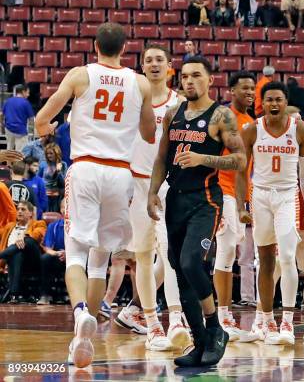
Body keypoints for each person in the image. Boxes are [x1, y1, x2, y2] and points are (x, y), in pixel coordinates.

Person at [34, 22, 156, 368]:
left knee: (75, 251)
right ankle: (82, 339)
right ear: (125, 48)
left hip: (87, 167)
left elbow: (41, 121)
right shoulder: (141, 82)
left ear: (94, 45)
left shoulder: (79, 75)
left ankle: (79, 314)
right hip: (120, 173)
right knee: (101, 258)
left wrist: (52, 130)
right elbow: (149, 133)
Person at [147, 56, 246, 367]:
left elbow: (241, 159)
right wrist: (152, 192)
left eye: (196, 76)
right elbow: (162, 158)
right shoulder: (172, 115)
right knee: (179, 272)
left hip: (205, 200)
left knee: (192, 262)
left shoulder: (221, 116)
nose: (189, 81)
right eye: (185, 76)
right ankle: (199, 342)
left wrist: (204, 159)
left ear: (209, 80)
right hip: (174, 200)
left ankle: (216, 329)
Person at [236, 81, 304, 346]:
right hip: (260, 196)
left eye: (278, 99)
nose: (274, 104)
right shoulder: (252, 130)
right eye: (269, 100)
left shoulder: (299, 129)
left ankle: (287, 323)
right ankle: (265, 319)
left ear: (286, 102)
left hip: (287, 196)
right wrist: (241, 204)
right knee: (265, 260)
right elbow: (241, 171)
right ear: (262, 103)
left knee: (289, 256)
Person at [119, 45, 186, 352]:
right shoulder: (131, 104)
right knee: (143, 257)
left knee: (171, 254)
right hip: (136, 184)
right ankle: (152, 325)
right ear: (142, 67)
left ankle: (176, 320)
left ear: (170, 67)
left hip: (169, 186)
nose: (155, 64)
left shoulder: (181, 103)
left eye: (160, 59)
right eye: (149, 60)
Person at [213, 71, 256, 342]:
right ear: (231, 91)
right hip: (221, 191)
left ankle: (135, 306)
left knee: (230, 253)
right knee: (226, 252)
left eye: (253, 89)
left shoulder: (250, 122)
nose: (250, 93)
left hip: (239, 195)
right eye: (245, 89)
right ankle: (223, 316)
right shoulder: (222, 117)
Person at [0, 201, 45, 304]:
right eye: (18, 209)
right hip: (11, 260)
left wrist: (23, 236)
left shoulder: (39, 223)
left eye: (23, 209)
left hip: (32, 261)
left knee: (28, 241)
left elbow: (37, 235)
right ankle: (15, 295)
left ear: (31, 213)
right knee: (17, 254)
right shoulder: (9, 227)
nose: (19, 211)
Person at [37, 199, 66, 305]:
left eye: (69, 206)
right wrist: (57, 253)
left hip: (76, 256)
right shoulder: (53, 226)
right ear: (60, 210)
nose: (66, 209)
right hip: (58, 256)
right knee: (45, 258)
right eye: (64, 207)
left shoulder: (81, 226)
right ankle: (45, 295)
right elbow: (47, 248)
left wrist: (68, 254)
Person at [1, 85, 34, 151]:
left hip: (8, 128)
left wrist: (2, 125)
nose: (28, 95)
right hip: (20, 130)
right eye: (27, 92)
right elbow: (31, 119)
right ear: (23, 92)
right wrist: (32, 131)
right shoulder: (26, 103)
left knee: (9, 149)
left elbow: (1, 114)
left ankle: (9, 161)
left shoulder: (8, 101)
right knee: (20, 153)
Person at [38, 144, 66, 213]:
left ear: (57, 153)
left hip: (57, 197)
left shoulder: (63, 164)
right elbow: (38, 179)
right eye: (47, 153)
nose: (49, 155)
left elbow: (64, 183)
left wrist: (58, 172)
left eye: (51, 153)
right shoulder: (43, 164)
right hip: (45, 196)